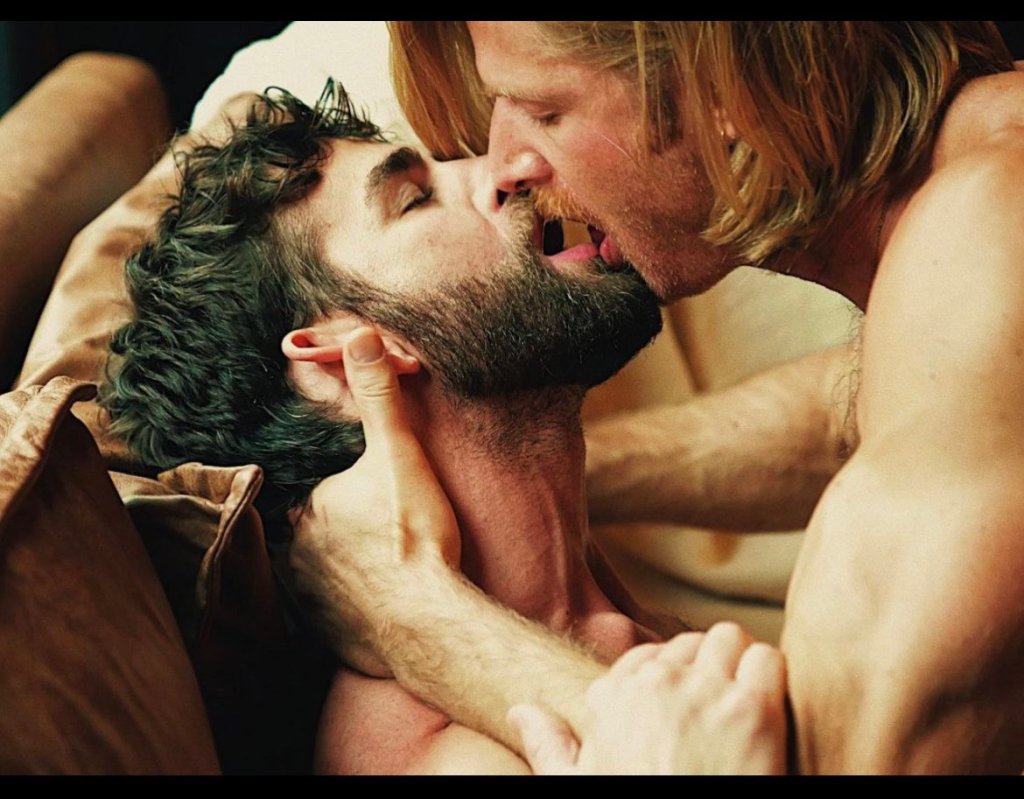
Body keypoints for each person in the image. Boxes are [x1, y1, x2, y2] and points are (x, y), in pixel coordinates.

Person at [285, 21, 1024, 773]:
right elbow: (865, 414)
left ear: (728, 90)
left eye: (543, 111)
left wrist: (420, 618)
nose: (501, 164)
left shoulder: (986, 233)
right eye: (415, 199)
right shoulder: (961, 253)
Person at [99, 84, 788, 774]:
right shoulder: (431, 757)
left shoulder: (649, 636)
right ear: (341, 356)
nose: (502, 172)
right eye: (415, 198)